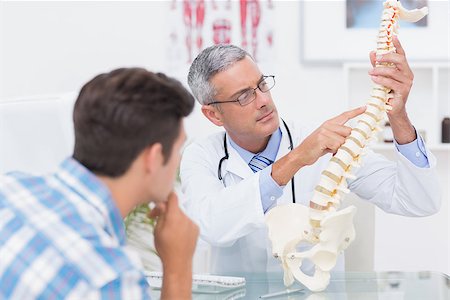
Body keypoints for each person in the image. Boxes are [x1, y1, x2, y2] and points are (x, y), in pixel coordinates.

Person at [180, 39, 441, 275]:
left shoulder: (325, 141)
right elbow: (210, 226)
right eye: (244, 96)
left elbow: (419, 201)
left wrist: (398, 116)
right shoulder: (201, 156)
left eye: (261, 85)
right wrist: (297, 159)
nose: (263, 101)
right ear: (213, 115)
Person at [0, 68, 199, 299]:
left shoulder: (10, 187)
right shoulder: (110, 278)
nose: (179, 160)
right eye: (178, 148)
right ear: (153, 159)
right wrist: (178, 267)